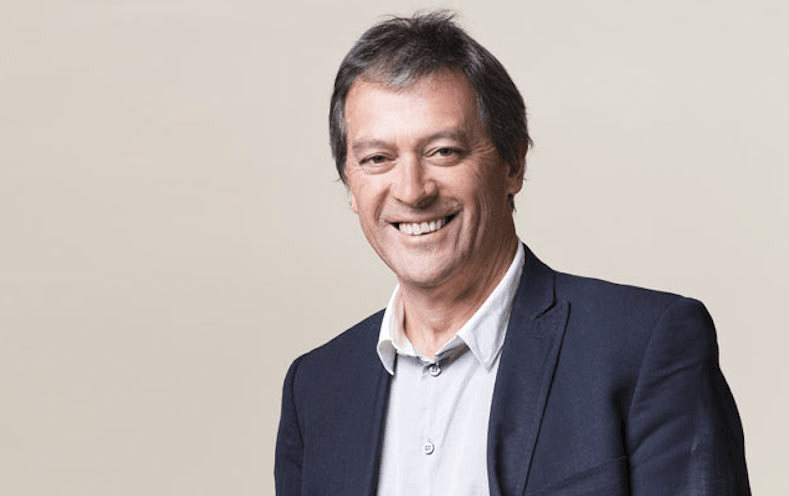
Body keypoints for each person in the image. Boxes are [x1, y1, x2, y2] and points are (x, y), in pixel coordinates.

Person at [275, 11, 750, 496]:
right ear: (350, 185)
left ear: (513, 163)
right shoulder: (315, 389)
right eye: (377, 159)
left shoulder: (645, 346)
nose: (412, 191)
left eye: (443, 151)